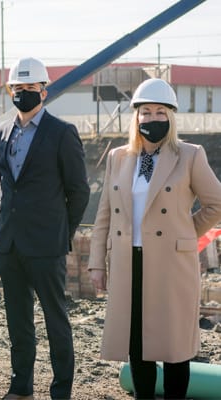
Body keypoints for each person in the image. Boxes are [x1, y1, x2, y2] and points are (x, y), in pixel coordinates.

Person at [89, 78, 221, 399]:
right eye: (145, 112)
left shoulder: (190, 155)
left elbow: (216, 203)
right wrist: (96, 262)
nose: (152, 118)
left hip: (172, 263)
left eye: (160, 112)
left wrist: (185, 233)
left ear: (171, 116)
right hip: (127, 262)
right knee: (137, 345)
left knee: (174, 347)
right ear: (136, 117)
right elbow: (104, 214)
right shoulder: (118, 158)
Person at [0, 57, 90, 400]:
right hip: (10, 244)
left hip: (46, 245)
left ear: (43, 91)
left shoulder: (62, 133)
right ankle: (21, 388)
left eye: (30, 88)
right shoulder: (3, 130)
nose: (23, 94)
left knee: (55, 321)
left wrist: (61, 234)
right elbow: (9, 188)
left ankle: (60, 391)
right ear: (10, 91)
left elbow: (79, 191)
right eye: (17, 88)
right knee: (18, 322)